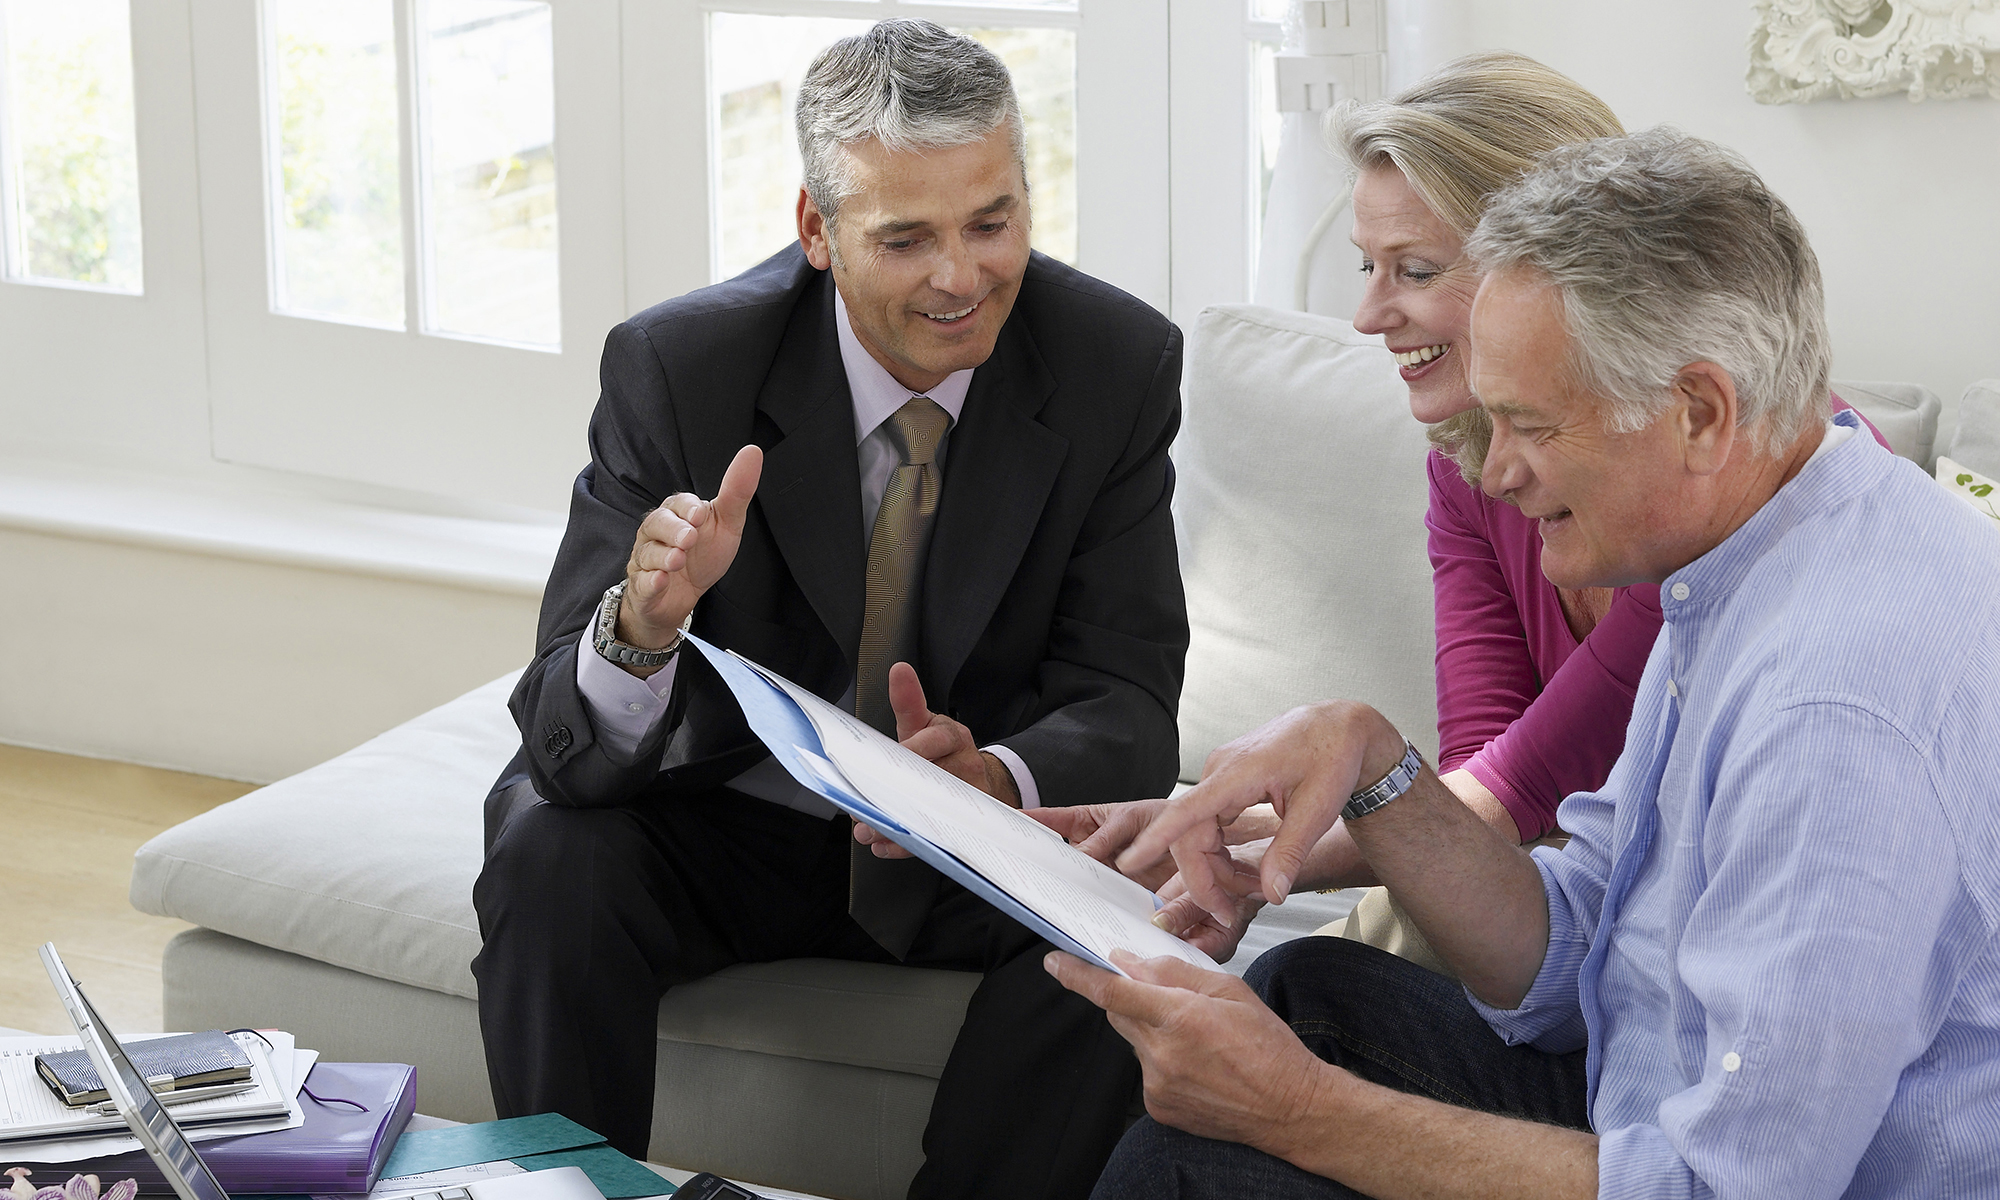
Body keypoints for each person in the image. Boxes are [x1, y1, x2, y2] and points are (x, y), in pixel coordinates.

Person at [1053, 128, 2000, 1198]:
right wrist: (1374, 762)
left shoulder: (1834, 715)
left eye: (1527, 425)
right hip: (1637, 1098)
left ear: (1697, 411)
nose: (1494, 471)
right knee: (1310, 995)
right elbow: (1575, 943)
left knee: (1223, 1140)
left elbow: (1724, 1191)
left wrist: (1299, 1110)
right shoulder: (1746, 554)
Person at [470, 21, 1187, 1199]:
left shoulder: (1114, 363)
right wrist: (639, 631)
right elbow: (557, 729)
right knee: (551, 850)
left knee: (1132, 926)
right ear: (816, 230)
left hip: (970, 849)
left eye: (990, 222)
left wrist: (996, 781)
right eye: (905, 238)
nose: (959, 276)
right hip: (723, 825)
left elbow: (1127, 695)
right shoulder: (678, 367)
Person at [1046, 55, 1884, 971]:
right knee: (1272, 988)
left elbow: (1516, 787)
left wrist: (1256, 846)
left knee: (1301, 987)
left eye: (1413, 268)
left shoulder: (1709, 474)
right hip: (1564, 904)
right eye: (1368, 265)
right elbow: (1482, 769)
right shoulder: (1467, 457)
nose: (1367, 315)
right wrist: (1217, 828)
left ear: (1553, 259)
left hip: (1695, 921)